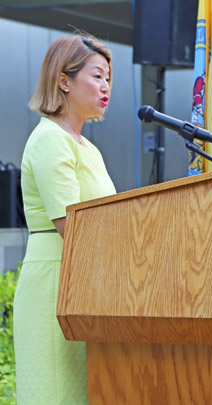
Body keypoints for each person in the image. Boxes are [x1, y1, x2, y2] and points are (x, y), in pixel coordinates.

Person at [13, 34, 116, 404]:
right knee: (56, 394)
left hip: (86, 284)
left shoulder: (87, 147)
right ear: (64, 81)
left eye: (108, 79)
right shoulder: (50, 140)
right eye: (97, 76)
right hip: (55, 283)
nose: (106, 87)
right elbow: (72, 227)